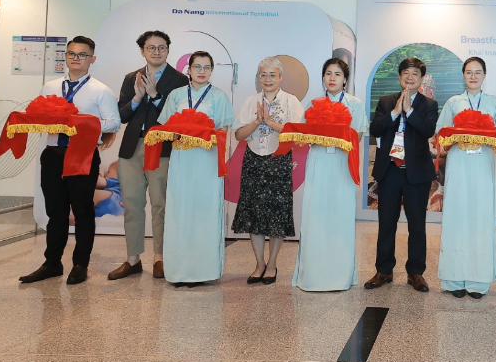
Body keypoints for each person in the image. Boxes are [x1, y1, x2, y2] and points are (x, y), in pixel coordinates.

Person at [19, 35, 121, 285]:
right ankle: (52, 263)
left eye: (82, 54)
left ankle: (80, 264)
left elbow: (114, 122)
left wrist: (79, 123)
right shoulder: (51, 86)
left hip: (83, 156)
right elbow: (37, 114)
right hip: (53, 155)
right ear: (65, 56)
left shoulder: (101, 90)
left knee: (83, 210)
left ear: (92, 59)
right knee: (56, 212)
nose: (76, 58)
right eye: (72, 54)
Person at [108, 30, 186, 281]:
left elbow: (178, 119)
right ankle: (133, 260)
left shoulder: (180, 80)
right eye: (150, 48)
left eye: (161, 47)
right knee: (131, 204)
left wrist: (154, 96)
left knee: (160, 205)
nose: (156, 52)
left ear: (168, 51)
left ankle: (160, 258)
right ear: (142, 51)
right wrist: (137, 98)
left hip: (162, 148)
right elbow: (120, 116)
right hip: (131, 149)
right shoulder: (132, 77)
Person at [157, 51, 233, 285]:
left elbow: (224, 133)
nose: (201, 71)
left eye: (207, 67)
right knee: (180, 211)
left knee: (205, 212)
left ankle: (204, 271)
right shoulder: (177, 95)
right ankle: (179, 270)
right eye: (197, 67)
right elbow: (164, 128)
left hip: (207, 162)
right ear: (188, 70)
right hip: (181, 160)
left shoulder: (219, 97)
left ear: (212, 71)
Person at [293, 58, 368, 292]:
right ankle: (312, 275)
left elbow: (357, 136)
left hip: (342, 163)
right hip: (318, 162)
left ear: (345, 79)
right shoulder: (313, 104)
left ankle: (341, 275)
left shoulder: (354, 104)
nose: (332, 78)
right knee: (315, 215)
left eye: (337, 74)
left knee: (340, 216)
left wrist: (335, 136)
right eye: (328, 74)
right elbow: (305, 135)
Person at [436, 57, 496, 299]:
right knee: (457, 216)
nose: (473, 76)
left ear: (485, 75)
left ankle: (478, 281)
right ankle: (455, 279)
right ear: (463, 75)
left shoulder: (494, 103)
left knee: (480, 217)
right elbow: (441, 134)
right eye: (469, 72)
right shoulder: (454, 102)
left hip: (482, 165)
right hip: (458, 164)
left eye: (478, 72)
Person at [365, 57, 439, 292]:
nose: (410, 77)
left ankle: (416, 273)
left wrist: (410, 111)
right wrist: (396, 112)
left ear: (421, 78)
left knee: (417, 225)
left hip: (416, 174)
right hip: (390, 172)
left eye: (415, 73)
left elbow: (428, 130)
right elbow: (375, 129)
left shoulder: (429, 104)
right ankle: (383, 271)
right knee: (386, 223)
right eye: (406, 73)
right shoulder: (386, 102)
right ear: (400, 77)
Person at [232, 57, 303, 285]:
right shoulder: (251, 101)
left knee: (277, 214)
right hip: (253, 160)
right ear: (258, 77)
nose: (268, 79)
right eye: (263, 74)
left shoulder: (291, 101)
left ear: (280, 77)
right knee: (253, 213)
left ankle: (272, 264)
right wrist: (257, 121)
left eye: (272, 75)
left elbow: (296, 135)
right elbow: (238, 135)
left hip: (279, 161)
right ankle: (259, 263)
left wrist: (271, 122)